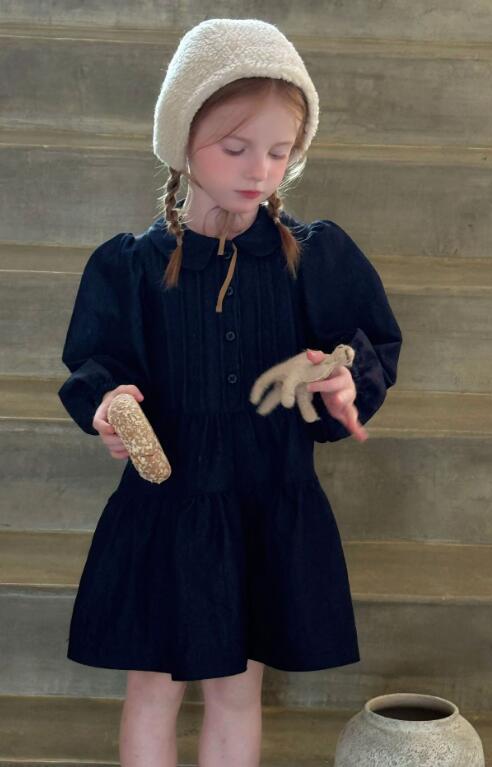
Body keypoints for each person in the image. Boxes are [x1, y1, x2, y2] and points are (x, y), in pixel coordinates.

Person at [57, 18, 403, 767]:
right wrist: (109, 404)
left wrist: (344, 379)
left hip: (263, 501)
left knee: (238, 690)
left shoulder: (312, 258)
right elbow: (98, 362)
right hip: (168, 509)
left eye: (280, 152)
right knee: (153, 688)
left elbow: (363, 348)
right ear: (183, 141)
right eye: (235, 148)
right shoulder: (131, 267)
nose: (260, 170)